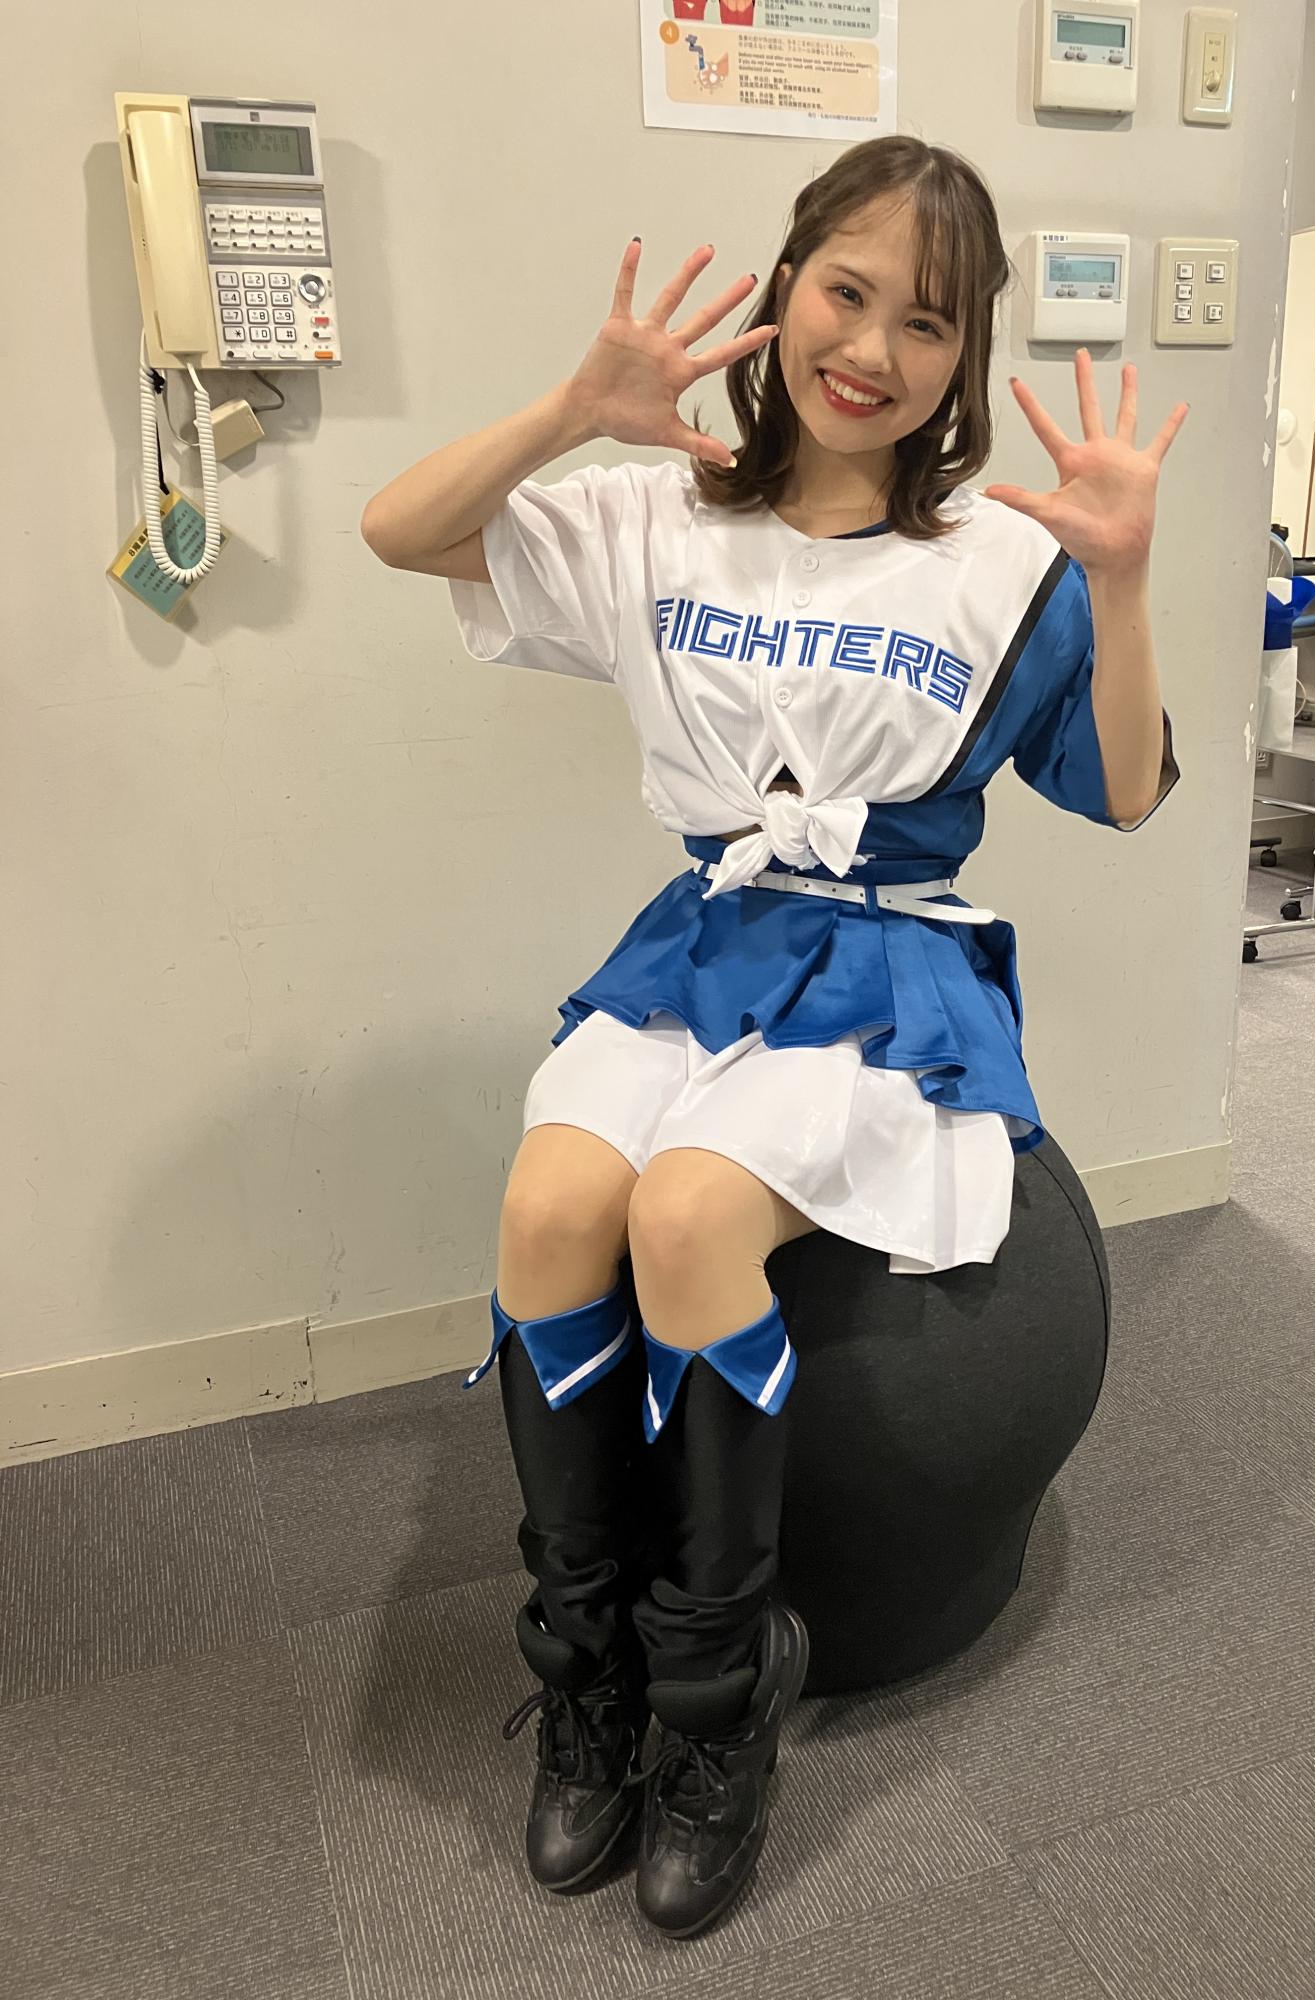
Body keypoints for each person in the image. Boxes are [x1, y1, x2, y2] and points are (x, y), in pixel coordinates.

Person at [361, 135, 1184, 1940]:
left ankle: (717, 1706)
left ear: (964, 362)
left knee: (685, 1216)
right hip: (703, 946)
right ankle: (587, 1680)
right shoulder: (665, 515)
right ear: (788, 284)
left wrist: (1122, 581)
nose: (873, 349)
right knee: (549, 1209)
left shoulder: (1000, 563)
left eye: (927, 323)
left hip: (887, 966)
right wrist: (571, 410)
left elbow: (1128, 792)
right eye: (848, 291)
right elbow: (400, 530)